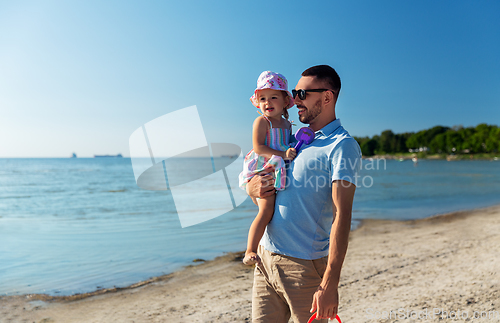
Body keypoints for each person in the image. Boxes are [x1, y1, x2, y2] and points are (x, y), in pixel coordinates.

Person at [245, 65, 362, 323]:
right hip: (265, 259)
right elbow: (267, 185)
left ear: (327, 97)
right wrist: (250, 188)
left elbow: (342, 216)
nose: (294, 99)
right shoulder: (293, 139)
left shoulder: (342, 146)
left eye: (303, 93)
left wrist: (330, 283)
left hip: (302, 267)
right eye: (294, 92)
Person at [239, 71, 297, 266]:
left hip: (279, 168)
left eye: (273, 97)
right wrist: (283, 154)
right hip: (263, 167)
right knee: (266, 210)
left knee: (277, 207)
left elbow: (289, 147)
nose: (267, 102)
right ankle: (249, 250)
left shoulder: (288, 125)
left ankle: (273, 245)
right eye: (262, 98)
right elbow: (259, 148)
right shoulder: (262, 122)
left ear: (284, 100)